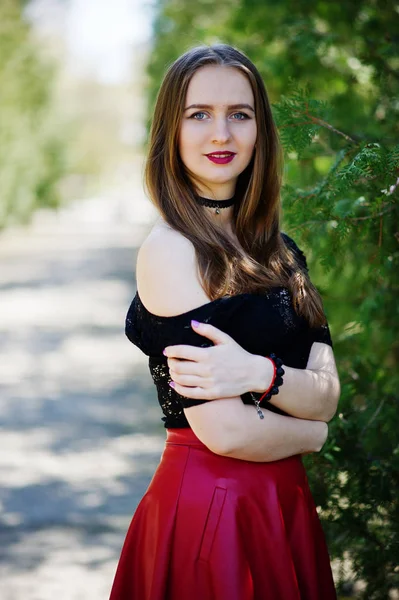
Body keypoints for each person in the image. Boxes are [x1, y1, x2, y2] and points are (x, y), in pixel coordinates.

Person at [109, 43, 340, 600]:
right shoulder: (170, 251)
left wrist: (259, 375)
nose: (222, 134)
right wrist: (315, 434)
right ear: (172, 130)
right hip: (213, 510)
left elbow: (327, 391)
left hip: (283, 506)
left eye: (240, 114)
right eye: (199, 115)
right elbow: (227, 431)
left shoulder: (281, 253)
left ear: (260, 130)